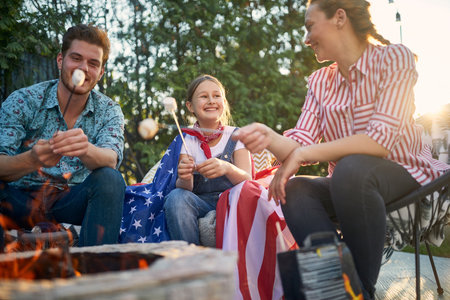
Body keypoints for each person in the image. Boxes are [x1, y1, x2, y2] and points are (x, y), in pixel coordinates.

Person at [233, 0, 450, 299]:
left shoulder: (394, 59)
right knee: (295, 189)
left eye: (310, 26)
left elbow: (379, 141)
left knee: (352, 167)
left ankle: (356, 291)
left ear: (339, 18)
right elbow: (300, 143)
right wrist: (268, 137)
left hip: (406, 172)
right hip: (352, 184)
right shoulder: (321, 82)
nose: (306, 39)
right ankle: (343, 291)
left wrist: (302, 155)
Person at [0, 24, 126, 247]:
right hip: (19, 198)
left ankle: (95, 271)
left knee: (111, 179)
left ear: (101, 72)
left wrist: (85, 148)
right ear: (60, 60)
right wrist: (32, 159)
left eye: (93, 63)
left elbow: (110, 158)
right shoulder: (23, 100)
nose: (83, 68)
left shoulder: (109, 110)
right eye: (76, 58)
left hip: (69, 201)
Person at [163, 74, 253, 245]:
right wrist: (184, 176)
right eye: (204, 96)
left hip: (231, 202)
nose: (211, 100)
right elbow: (185, 189)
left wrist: (227, 168)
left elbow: (249, 181)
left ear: (224, 103)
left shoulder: (236, 135)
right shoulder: (187, 139)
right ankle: (192, 260)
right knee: (176, 197)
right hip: (200, 202)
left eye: (217, 96)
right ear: (190, 106)